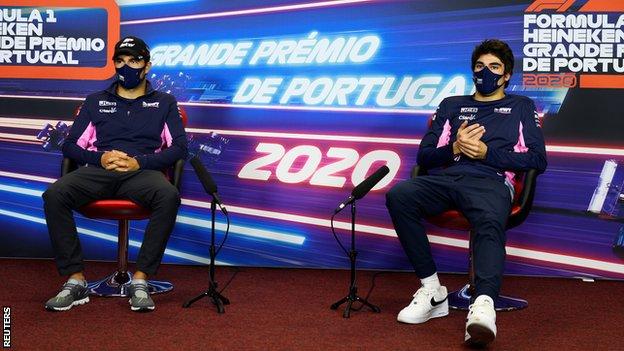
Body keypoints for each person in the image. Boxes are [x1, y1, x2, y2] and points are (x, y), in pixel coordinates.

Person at [385, 39, 547, 345]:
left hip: (492, 180)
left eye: (494, 67)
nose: (485, 72)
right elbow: (425, 156)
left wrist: (486, 153)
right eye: (480, 66)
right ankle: (433, 291)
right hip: (450, 179)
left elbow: (538, 160)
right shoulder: (452, 105)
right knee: (400, 195)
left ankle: (483, 304)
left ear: (507, 75)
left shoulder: (521, 106)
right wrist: (456, 148)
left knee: (488, 217)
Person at [43, 36, 188, 312]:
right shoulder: (95, 101)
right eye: (120, 61)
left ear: (147, 66)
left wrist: (140, 163)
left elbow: (180, 148)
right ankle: (75, 281)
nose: (127, 67)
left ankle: (141, 280)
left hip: (143, 172)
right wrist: (101, 157)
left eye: (134, 61)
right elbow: (70, 145)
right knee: (54, 195)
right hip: (100, 170)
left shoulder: (165, 103)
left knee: (168, 195)